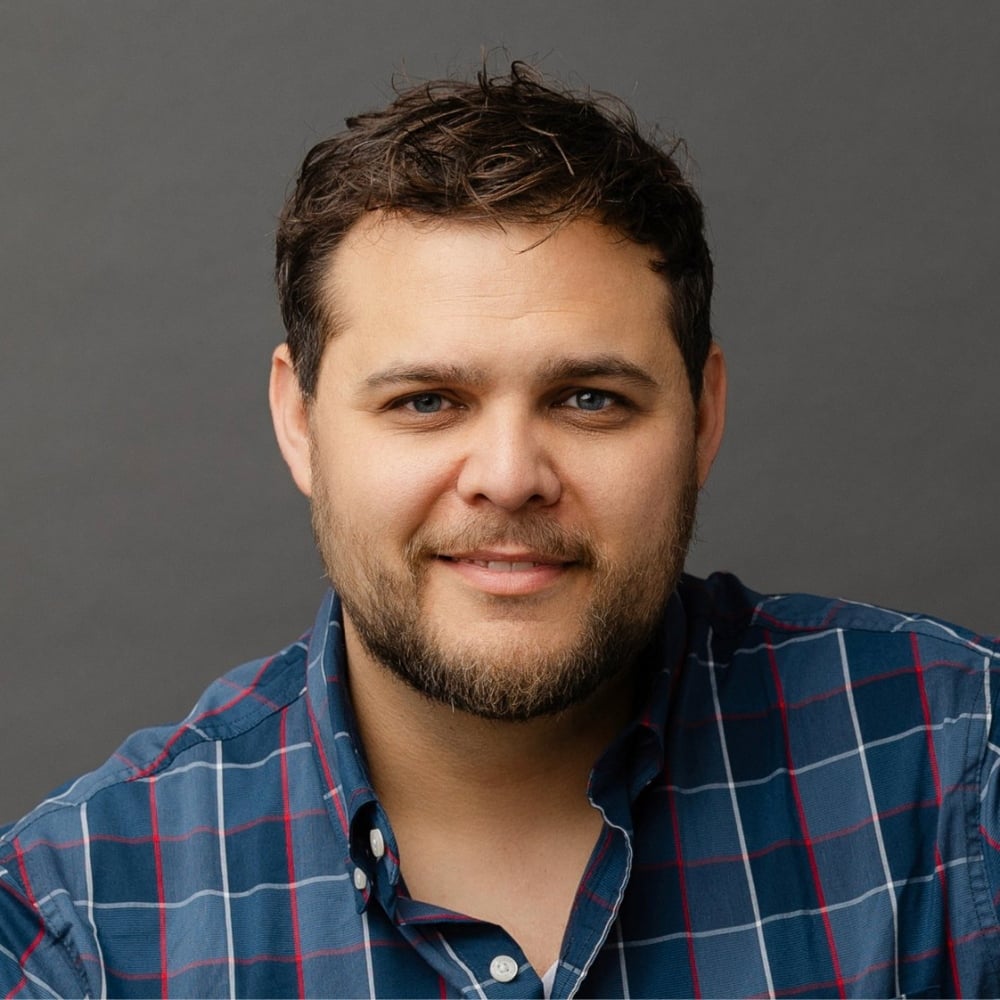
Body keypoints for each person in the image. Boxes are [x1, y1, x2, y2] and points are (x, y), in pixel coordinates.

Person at [1, 62, 998, 1000]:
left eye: (590, 398)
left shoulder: (958, 768)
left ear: (704, 416)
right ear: (299, 422)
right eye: (427, 401)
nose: (510, 477)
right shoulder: (79, 921)